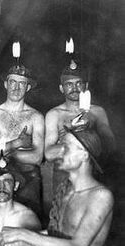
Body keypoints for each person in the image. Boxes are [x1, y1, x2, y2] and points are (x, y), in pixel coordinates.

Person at [0, 64, 45, 219]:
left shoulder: (36, 117)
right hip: (0, 177)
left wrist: (2, 152)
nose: (16, 88)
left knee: (29, 224)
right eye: (12, 82)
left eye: (21, 83)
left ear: (28, 87)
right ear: (5, 84)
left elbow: (37, 157)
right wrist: (16, 144)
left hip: (29, 177)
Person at [44, 60, 116, 192]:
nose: (75, 88)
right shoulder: (54, 115)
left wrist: (90, 133)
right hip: (64, 174)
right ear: (61, 88)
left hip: (92, 172)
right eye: (69, 84)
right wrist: (70, 136)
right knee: (63, 211)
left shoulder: (97, 112)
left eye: (79, 83)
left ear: (86, 86)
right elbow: (48, 153)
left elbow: (111, 146)